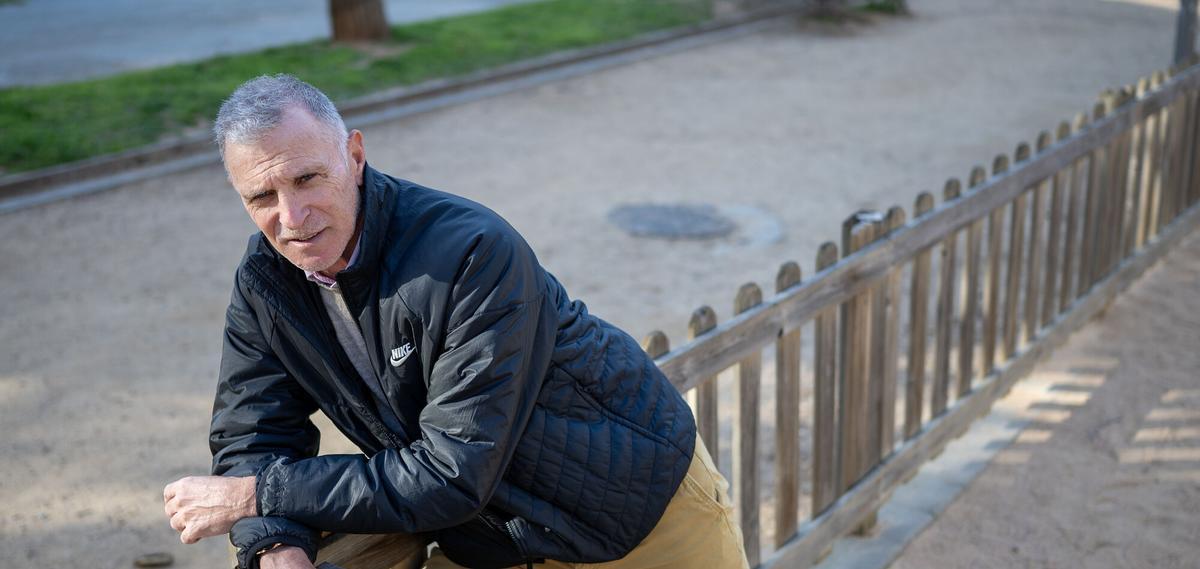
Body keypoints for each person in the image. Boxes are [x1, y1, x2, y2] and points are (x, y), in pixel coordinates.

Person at [161, 74, 748, 569]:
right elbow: (252, 430)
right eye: (262, 195)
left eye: (307, 178)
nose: (292, 217)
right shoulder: (266, 280)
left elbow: (451, 471)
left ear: (356, 156)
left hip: (635, 511)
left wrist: (256, 496)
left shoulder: (470, 252)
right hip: (490, 540)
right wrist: (275, 541)